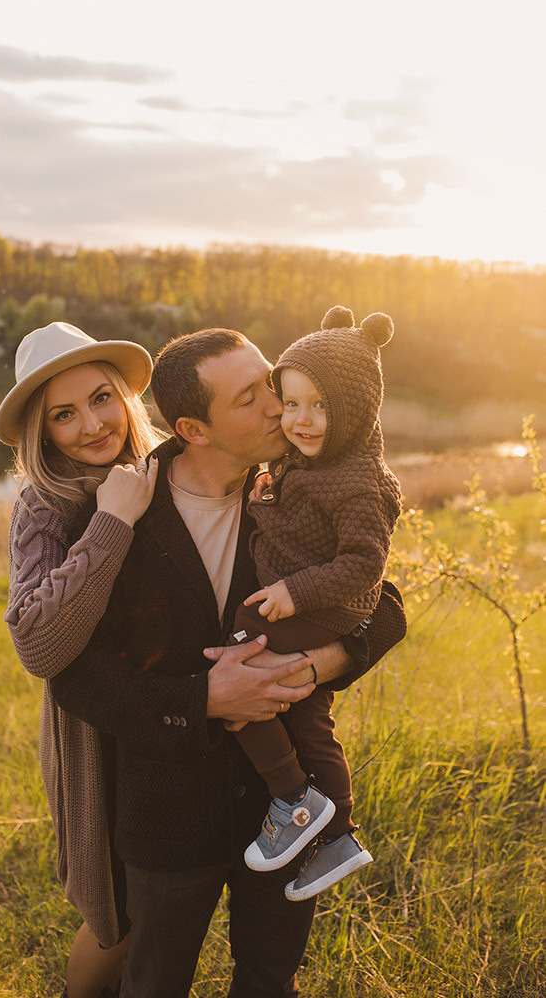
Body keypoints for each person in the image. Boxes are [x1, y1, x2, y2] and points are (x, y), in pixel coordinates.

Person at [50, 326, 407, 998]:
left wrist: (321, 664)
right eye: (252, 398)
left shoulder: (300, 485)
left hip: (291, 807)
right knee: (154, 981)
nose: (280, 406)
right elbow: (77, 675)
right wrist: (201, 701)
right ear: (195, 428)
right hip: (169, 810)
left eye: (272, 383)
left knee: (269, 980)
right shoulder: (120, 512)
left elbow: (383, 604)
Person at [0, 321, 166, 998]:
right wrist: (112, 521)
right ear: (43, 433)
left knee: (168, 906)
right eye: (64, 415)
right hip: (99, 738)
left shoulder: (173, 474)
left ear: (124, 397)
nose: (92, 425)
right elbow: (38, 642)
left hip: (187, 719)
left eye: (100, 398)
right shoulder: (43, 506)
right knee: (115, 919)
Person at [228, 305, 402, 900]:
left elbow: (364, 564)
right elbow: (293, 526)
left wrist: (291, 593)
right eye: (292, 401)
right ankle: (337, 836)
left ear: (354, 408)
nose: (301, 419)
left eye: (321, 405)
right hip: (309, 602)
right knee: (306, 715)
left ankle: (294, 800)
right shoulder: (308, 459)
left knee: (240, 666)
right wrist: (262, 497)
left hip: (327, 608)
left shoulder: (356, 479)